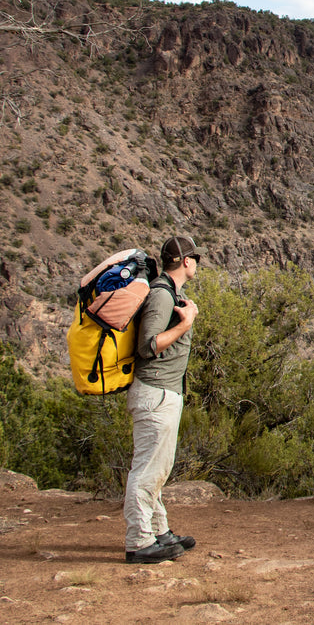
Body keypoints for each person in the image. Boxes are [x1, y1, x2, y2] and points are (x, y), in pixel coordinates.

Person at [123, 234, 202, 563]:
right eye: (196, 258)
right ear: (186, 261)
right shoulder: (161, 295)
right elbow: (148, 345)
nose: (198, 263)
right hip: (155, 393)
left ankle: (159, 531)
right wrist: (185, 325)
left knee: (158, 468)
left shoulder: (172, 293)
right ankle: (139, 541)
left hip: (164, 393)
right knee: (146, 471)